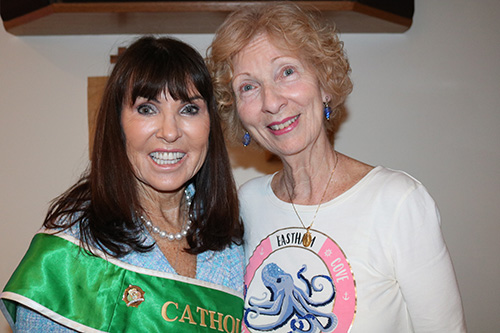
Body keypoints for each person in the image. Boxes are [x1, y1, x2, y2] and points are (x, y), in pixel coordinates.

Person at [207, 2, 466, 332]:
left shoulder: (397, 202)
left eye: (286, 72)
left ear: (325, 83)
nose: (271, 102)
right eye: (248, 86)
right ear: (237, 111)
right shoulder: (248, 203)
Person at [0, 36, 244, 332]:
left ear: (210, 125)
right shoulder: (71, 250)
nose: (170, 132)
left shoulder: (231, 241)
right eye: (147, 109)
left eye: (189, 109)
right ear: (118, 125)